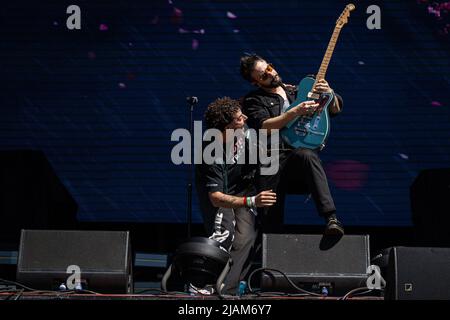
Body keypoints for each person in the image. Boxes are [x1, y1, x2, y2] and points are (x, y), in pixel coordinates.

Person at [239, 53, 344, 236]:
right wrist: (294, 112)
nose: (271, 74)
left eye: (269, 68)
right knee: (270, 222)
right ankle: (269, 251)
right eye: (263, 75)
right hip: (271, 159)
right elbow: (264, 126)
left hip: (296, 158)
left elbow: (334, 109)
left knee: (308, 155)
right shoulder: (253, 100)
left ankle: (331, 219)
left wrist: (329, 93)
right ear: (255, 83)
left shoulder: (297, 91)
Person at [195, 97, 277, 295]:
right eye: (239, 118)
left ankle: (226, 289)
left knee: (246, 237)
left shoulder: (244, 132)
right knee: (225, 235)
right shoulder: (211, 150)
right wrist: (252, 201)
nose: (245, 118)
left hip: (241, 191)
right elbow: (216, 197)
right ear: (226, 127)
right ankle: (203, 284)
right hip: (220, 196)